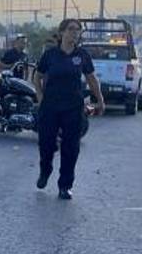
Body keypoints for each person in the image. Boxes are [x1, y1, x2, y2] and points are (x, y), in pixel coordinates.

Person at [33, 19, 106, 200]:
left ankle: (65, 185)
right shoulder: (50, 55)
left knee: (71, 148)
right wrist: (40, 97)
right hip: (50, 106)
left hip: (73, 107)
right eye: (71, 29)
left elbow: (91, 79)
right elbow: (37, 77)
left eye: (78, 30)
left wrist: (100, 100)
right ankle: (45, 170)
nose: (75, 33)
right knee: (46, 144)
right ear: (62, 32)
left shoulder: (82, 55)